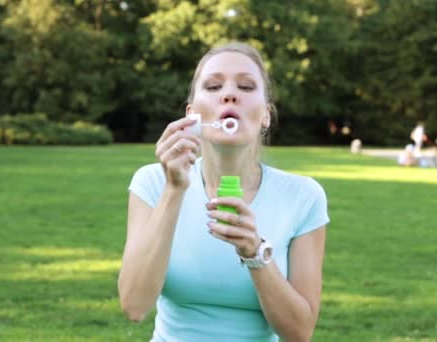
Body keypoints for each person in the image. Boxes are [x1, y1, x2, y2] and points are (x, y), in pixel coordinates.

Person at [118, 42, 329, 342]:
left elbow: (299, 333)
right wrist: (174, 190)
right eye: (214, 86)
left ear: (266, 115)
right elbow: (134, 306)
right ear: (191, 115)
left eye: (245, 86)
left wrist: (256, 254)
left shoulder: (303, 196)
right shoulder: (152, 183)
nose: (229, 94)